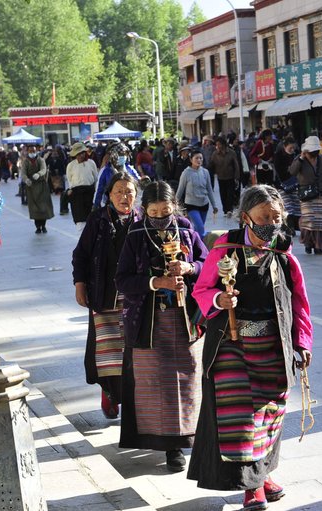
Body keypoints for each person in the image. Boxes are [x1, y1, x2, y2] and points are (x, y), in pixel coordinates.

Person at [188, 184, 313, 510]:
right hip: (232, 348)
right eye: (263, 217)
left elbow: (299, 304)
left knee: (268, 418)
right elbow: (201, 291)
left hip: (272, 348)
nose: (270, 223)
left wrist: (302, 341)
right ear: (246, 218)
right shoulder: (224, 250)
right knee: (241, 420)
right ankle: (251, 489)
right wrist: (219, 298)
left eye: (276, 217)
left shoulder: (284, 256)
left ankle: (262, 474)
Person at [114, 181, 207, 472]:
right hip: (148, 322)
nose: (160, 216)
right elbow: (123, 279)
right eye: (153, 211)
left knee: (188, 378)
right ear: (144, 210)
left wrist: (190, 268)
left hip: (185, 319)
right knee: (157, 383)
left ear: (174, 207)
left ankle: (189, 437)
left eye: (165, 211)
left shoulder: (186, 228)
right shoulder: (137, 233)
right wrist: (156, 282)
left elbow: (207, 262)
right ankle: (169, 447)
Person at [72, 173, 141, 421]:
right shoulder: (98, 219)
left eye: (129, 191)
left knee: (133, 349)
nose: (124, 196)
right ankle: (109, 393)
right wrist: (80, 284)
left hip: (135, 296)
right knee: (107, 351)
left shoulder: (142, 219)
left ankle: (133, 398)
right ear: (109, 195)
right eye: (118, 191)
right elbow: (80, 254)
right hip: (104, 294)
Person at [288, 135, 322, 255]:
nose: (314, 153)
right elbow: (292, 171)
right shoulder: (300, 159)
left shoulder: (321, 158)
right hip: (306, 194)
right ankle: (308, 244)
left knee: (321, 222)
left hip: (321, 193)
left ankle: (318, 246)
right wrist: (301, 158)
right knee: (308, 221)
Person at [176, 149, 218, 238]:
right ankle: (201, 249)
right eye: (196, 158)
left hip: (204, 204)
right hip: (191, 205)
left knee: (198, 229)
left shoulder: (205, 172)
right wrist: (174, 204)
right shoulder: (186, 173)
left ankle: (194, 243)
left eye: (201, 158)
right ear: (191, 160)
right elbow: (180, 190)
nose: (199, 160)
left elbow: (209, 189)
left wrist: (214, 205)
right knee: (200, 227)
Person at [93, 142, 141, 209]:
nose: (123, 157)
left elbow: (139, 180)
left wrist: (143, 181)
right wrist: (96, 205)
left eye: (124, 155)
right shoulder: (106, 171)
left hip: (127, 202)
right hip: (110, 204)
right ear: (114, 156)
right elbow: (99, 190)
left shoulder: (129, 168)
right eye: (120, 155)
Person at [19, 144, 54, 234]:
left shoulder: (41, 160)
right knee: (34, 209)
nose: (32, 153)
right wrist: (26, 179)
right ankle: (38, 227)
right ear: (28, 151)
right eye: (30, 151)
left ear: (36, 151)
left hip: (42, 186)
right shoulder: (25, 162)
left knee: (44, 208)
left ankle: (44, 226)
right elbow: (23, 173)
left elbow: (44, 169)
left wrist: (38, 174)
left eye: (33, 151)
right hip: (31, 187)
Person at [66, 142, 99, 230]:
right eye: (79, 154)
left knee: (91, 218)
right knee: (79, 220)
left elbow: (96, 178)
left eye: (82, 153)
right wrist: (70, 190)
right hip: (77, 195)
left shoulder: (91, 163)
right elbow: (69, 179)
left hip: (89, 193)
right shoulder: (71, 165)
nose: (81, 155)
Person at [208, 137, 240, 217]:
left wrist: (237, 177)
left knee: (230, 194)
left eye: (219, 144)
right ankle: (225, 210)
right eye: (216, 144)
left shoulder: (231, 152)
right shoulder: (215, 154)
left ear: (223, 144)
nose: (217, 146)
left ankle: (230, 210)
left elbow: (236, 165)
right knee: (223, 194)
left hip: (230, 176)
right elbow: (211, 165)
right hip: (220, 177)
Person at [274, 137, 299, 232]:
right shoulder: (278, 155)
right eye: (290, 148)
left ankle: (295, 227)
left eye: (294, 148)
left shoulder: (296, 155)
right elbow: (279, 172)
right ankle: (290, 228)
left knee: (296, 206)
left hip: (294, 184)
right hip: (282, 185)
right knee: (288, 206)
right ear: (284, 146)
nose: (292, 150)